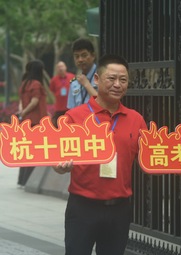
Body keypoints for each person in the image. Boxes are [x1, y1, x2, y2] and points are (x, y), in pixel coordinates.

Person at [53, 54, 147, 255]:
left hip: (119, 209)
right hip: (82, 207)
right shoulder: (74, 117)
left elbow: (151, 158)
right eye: (111, 78)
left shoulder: (136, 119)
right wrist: (60, 167)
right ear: (96, 79)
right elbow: (57, 158)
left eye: (123, 80)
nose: (117, 85)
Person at [17, 60, 48, 187]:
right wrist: (24, 112)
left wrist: (22, 113)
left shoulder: (24, 84)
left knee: (26, 150)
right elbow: (34, 102)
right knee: (34, 151)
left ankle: (22, 180)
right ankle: (29, 180)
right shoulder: (36, 84)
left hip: (26, 122)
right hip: (35, 121)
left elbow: (21, 102)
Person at [67, 38, 97, 109]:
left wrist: (86, 84)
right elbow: (71, 109)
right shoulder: (74, 82)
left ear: (93, 56)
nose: (80, 59)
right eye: (77, 56)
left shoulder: (102, 76)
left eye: (84, 55)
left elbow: (103, 104)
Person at [49, 61, 74, 127]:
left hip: (70, 107)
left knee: (70, 125)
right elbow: (51, 91)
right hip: (59, 108)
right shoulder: (54, 80)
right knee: (58, 126)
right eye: (59, 67)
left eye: (62, 66)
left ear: (65, 67)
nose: (60, 68)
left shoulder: (72, 77)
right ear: (57, 69)